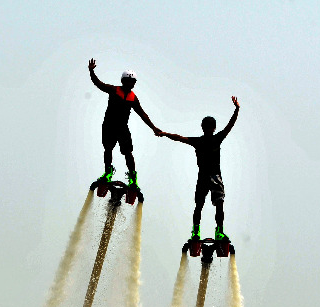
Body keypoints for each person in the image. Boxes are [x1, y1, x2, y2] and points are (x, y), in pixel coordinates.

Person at [157, 96, 240, 241]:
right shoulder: (199, 141)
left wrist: (237, 109)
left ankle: (218, 232)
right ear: (203, 128)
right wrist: (164, 134)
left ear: (213, 128)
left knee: (217, 204)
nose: (208, 130)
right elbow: (178, 138)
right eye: (206, 127)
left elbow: (230, 125)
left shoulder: (214, 139)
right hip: (205, 177)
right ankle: (196, 232)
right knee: (200, 205)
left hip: (214, 177)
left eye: (210, 128)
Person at [88, 58, 161, 189]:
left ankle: (133, 179)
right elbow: (98, 84)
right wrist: (91, 71)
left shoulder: (133, 98)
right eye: (128, 81)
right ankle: (108, 173)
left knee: (128, 152)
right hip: (109, 126)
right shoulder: (114, 90)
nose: (130, 84)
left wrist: (153, 128)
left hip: (122, 128)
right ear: (123, 81)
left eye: (133, 82)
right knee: (108, 149)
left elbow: (142, 114)